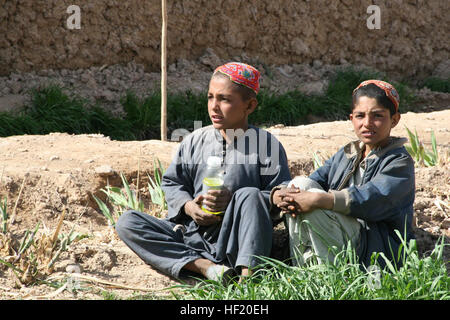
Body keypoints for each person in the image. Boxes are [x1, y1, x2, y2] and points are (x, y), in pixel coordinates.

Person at [115, 62, 291, 283]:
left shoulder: (267, 145)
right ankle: (207, 268)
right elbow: (172, 184)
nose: (214, 106)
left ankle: (248, 279)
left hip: (237, 239)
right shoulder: (195, 141)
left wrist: (237, 202)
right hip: (193, 234)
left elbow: (281, 194)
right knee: (128, 222)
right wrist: (190, 207)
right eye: (210, 97)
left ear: (250, 106)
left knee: (249, 194)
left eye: (225, 99)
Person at [271, 80, 415, 269]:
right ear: (351, 118)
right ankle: (304, 268)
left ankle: (325, 276)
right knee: (299, 185)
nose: (367, 123)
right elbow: (315, 180)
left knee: (313, 206)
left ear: (394, 120)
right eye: (360, 116)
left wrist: (319, 200)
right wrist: (283, 194)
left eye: (377, 116)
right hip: (343, 235)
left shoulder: (398, 161)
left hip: (375, 246)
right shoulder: (349, 152)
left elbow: (373, 198)